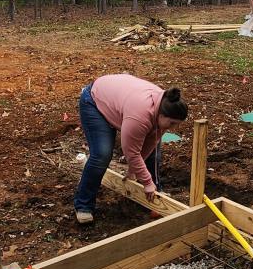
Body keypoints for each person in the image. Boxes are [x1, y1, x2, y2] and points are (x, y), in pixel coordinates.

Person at [74, 74, 189, 224]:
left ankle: (154, 195)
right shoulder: (140, 116)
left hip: (120, 101)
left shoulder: (166, 105)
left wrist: (134, 171)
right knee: (102, 154)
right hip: (95, 101)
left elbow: (150, 144)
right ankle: (83, 205)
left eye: (177, 124)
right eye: (172, 123)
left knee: (153, 154)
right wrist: (147, 181)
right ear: (161, 114)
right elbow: (131, 152)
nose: (174, 128)